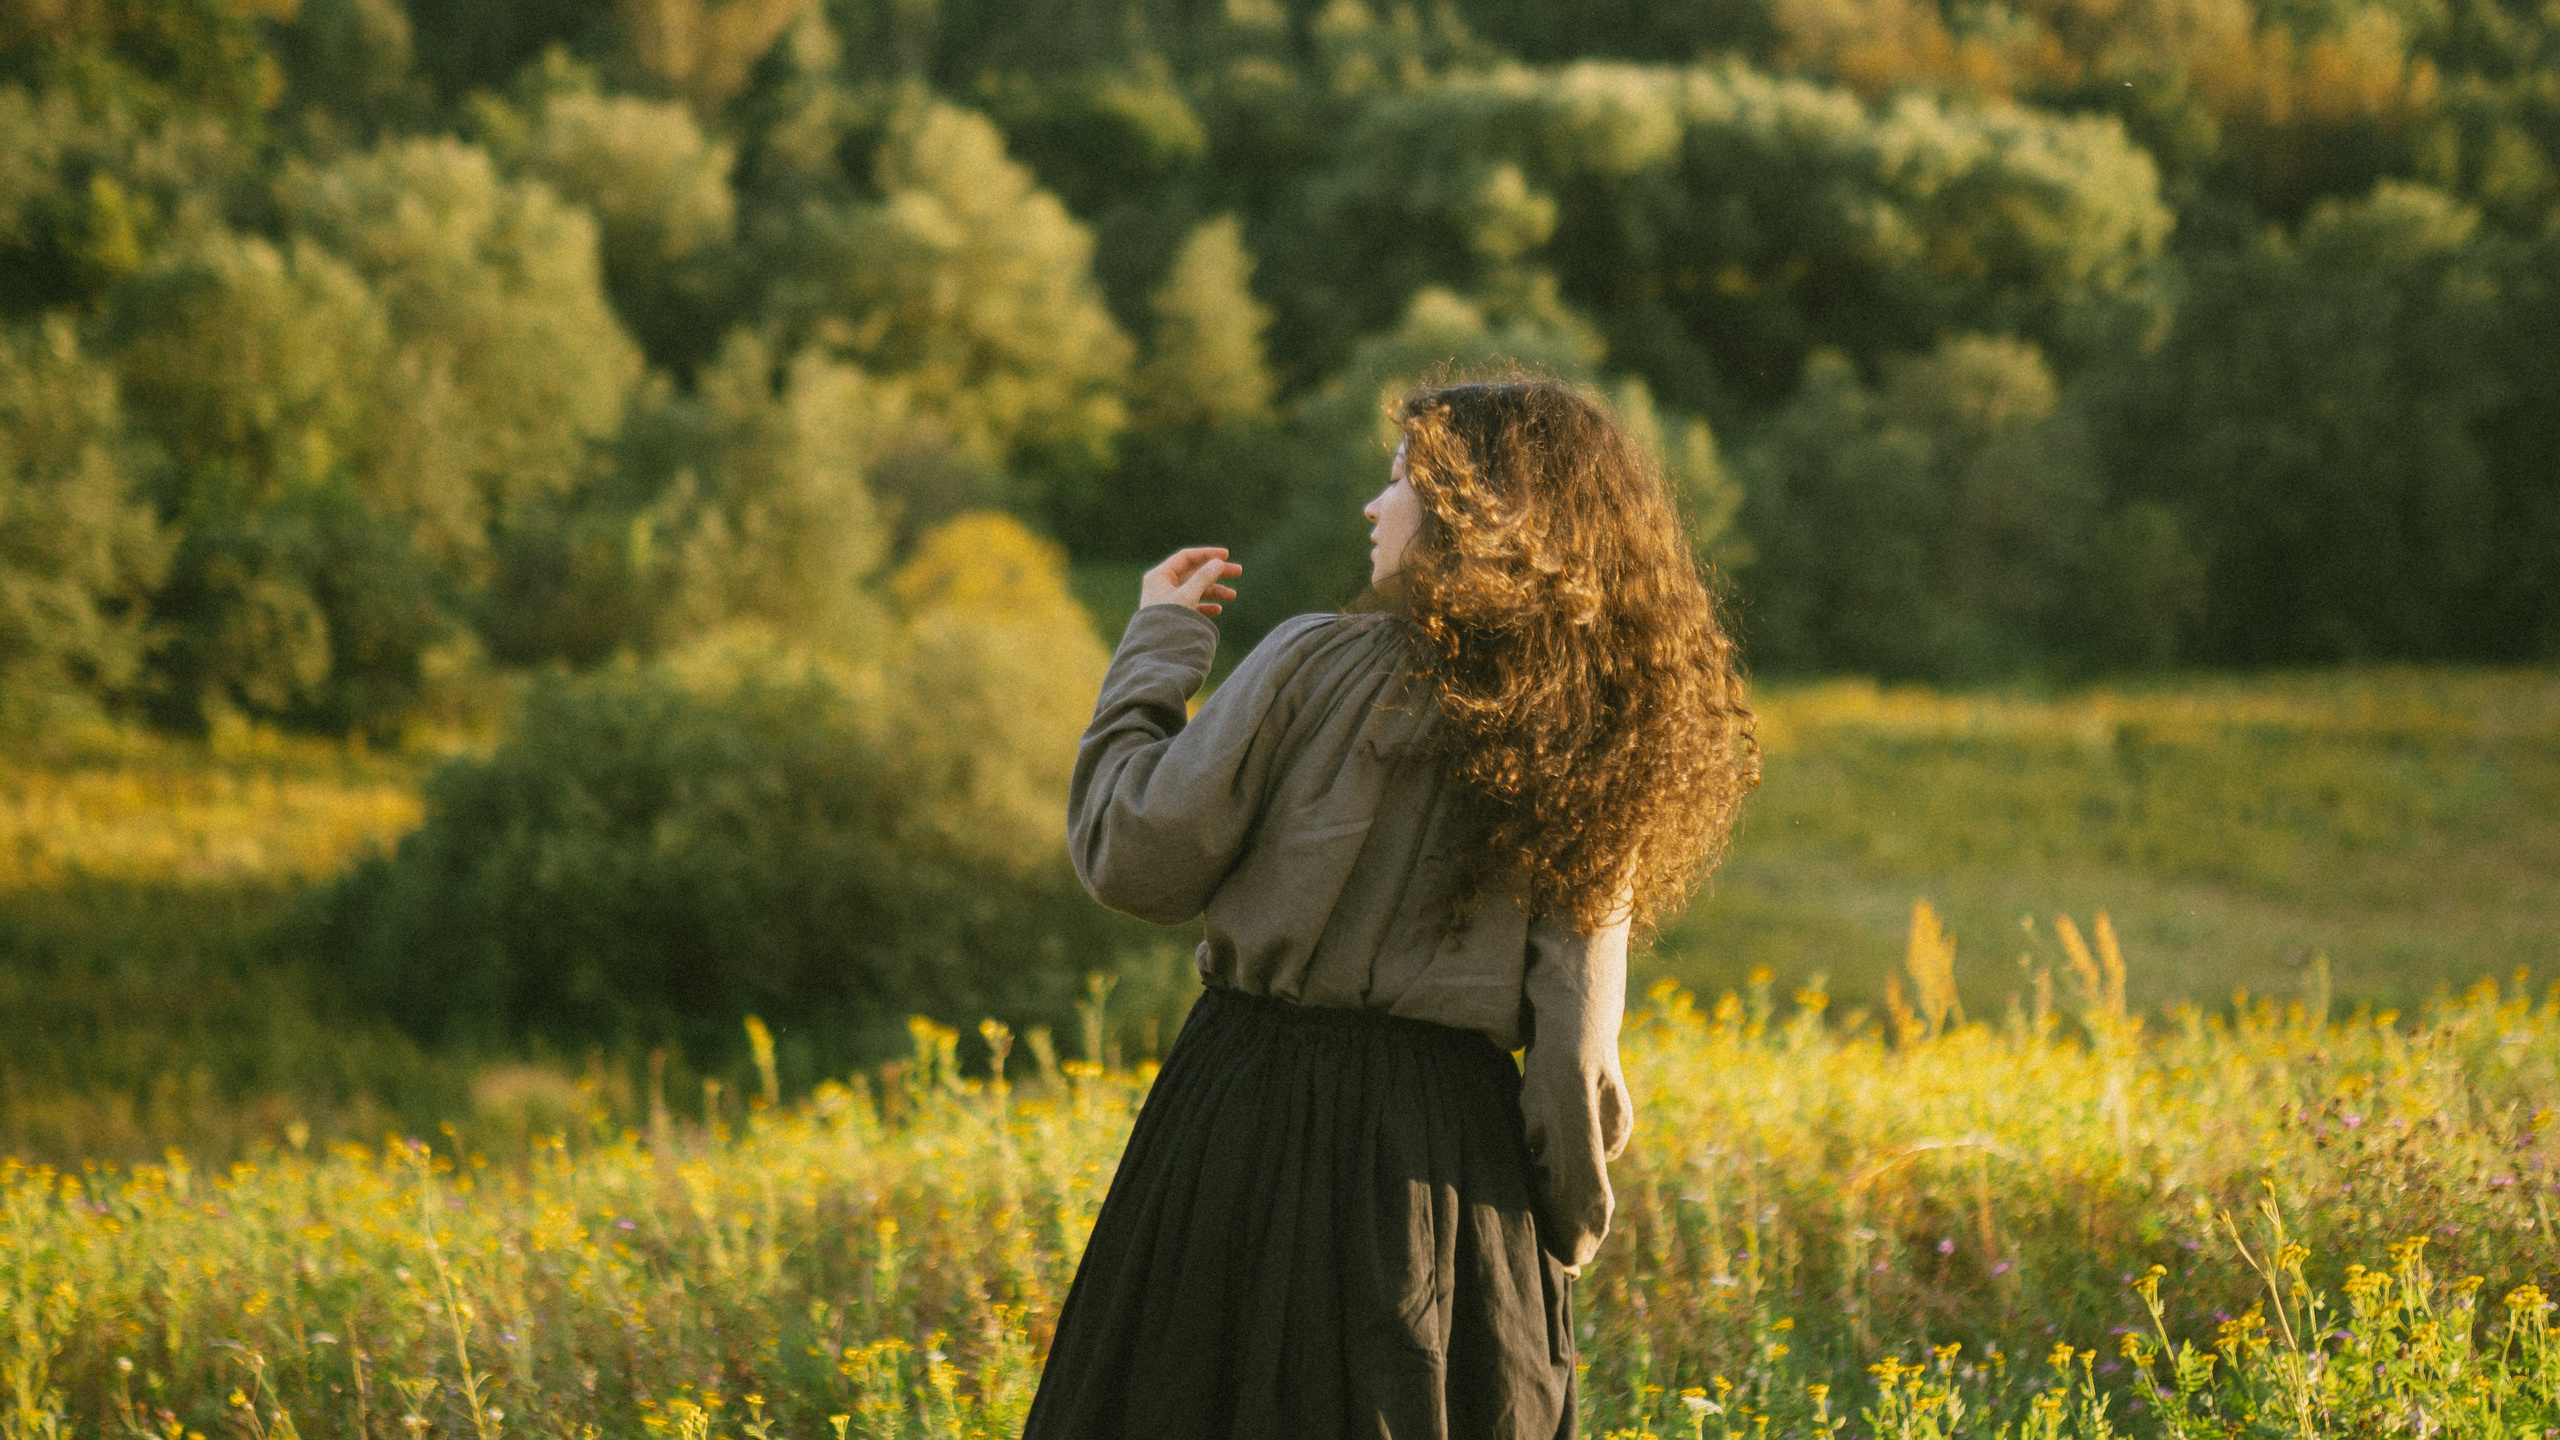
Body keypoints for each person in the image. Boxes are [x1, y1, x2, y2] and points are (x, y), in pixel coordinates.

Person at [1023, 376, 1758, 1440]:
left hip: (1236, 1117)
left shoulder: (1305, 660)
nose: (1375, 507)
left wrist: (1156, 647)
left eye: (1404, 481)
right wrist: (1547, 1242)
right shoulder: (1590, 740)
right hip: (1441, 1176)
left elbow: (1131, 857)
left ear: (1477, 513)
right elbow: (1575, 1055)